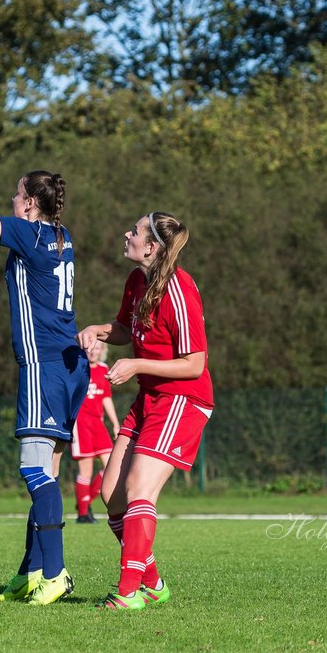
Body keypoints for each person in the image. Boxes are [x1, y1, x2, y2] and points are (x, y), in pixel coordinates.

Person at [0, 171, 89, 606]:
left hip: (42, 366)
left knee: (33, 471)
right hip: (70, 367)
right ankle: (30, 572)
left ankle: (55, 572)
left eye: (16, 193)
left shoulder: (29, 233)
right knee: (46, 474)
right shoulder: (60, 237)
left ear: (30, 203)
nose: (11, 199)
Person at [77, 211, 213, 610]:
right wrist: (97, 330)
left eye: (134, 231)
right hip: (150, 397)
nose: (126, 233)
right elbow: (123, 330)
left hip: (183, 400)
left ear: (152, 246)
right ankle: (151, 582)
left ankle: (128, 591)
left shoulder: (179, 289)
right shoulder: (137, 281)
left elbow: (194, 365)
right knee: (111, 496)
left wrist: (136, 365)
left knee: (139, 490)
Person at [71, 341, 120, 523]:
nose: (93, 351)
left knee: (110, 467)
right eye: (90, 348)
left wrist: (115, 423)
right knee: (86, 470)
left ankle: (84, 502)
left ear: (103, 351)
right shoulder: (78, 369)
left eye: (97, 348)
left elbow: (106, 398)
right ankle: (83, 514)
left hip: (98, 424)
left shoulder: (104, 369)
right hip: (80, 424)